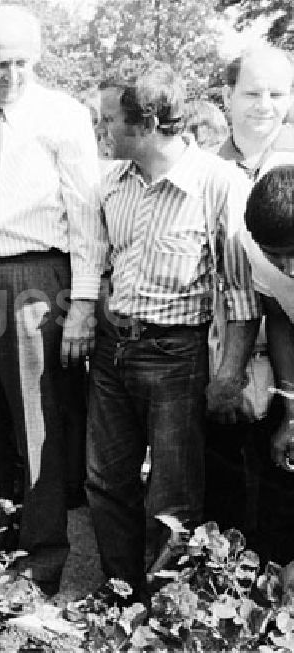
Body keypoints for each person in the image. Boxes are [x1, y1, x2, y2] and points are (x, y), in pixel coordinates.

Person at [0, 4, 104, 595]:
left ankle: (44, 554)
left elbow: (87, 218)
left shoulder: (63, 116)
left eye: (21, 62)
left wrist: (83, 303)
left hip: (36, 277)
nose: (10, 75)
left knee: (38, 418)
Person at [86, 64, 258, 600]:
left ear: (148, 123)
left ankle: (164, 612)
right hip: (114, 350)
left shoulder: (217, 183)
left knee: (173, 496)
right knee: (106, 481)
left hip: (176, 355)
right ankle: (118, 598)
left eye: (110, 120)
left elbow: (241, 294)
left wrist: (228, 375)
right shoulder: (112, 183)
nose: (103, 130)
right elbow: (105, 263)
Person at [206, 46, 294, 535]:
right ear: (228, 96)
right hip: (244, 351)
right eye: (252, 92)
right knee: (245, 491)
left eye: (277, 94)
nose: (264, 104)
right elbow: (277, 308)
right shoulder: (208, 167)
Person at [238, 164, 294, 564]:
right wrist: (292, 414)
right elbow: (278, 319)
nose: (288, 269)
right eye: (277, 257)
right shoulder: (252, 247)